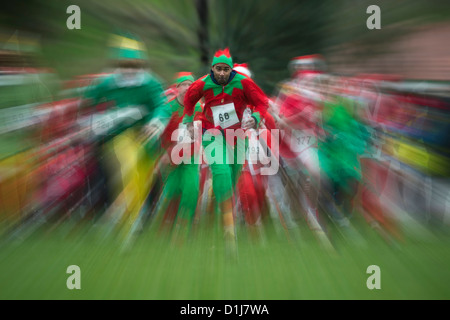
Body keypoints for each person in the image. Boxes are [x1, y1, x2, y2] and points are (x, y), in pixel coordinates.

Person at [182, 48, 277, 255]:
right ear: (212, 68)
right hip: (211, 133)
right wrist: (189, 121)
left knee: (231, 180)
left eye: (226, 69)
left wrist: (257, 118)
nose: (223, 73)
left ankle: (221, 207)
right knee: (221, 171)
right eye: (219, 69)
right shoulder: (202, 83)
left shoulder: (243, 83)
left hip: (238, 136)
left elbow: (262, 102)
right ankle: (229, 231)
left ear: (231, 68)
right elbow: (188, 100)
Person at [81, 33, 171, 241]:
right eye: (125, 64)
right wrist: (93, 121)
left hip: (146, 137)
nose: (129, 70)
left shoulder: (150, 82)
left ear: (141, 64)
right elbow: (89, 101)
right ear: (118, 64)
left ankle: (134, 214)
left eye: (134, 65)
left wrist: (154, 123)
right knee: (127, 167)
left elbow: (161, 106)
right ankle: (122, 215)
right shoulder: (108, 83)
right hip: (119, 135)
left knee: (142, 176)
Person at [156, 72, 203, 243]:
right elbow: (160, 132)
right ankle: (165, 225)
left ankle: (184, 228)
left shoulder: (198, 107)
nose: (188, 87)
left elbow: (193, 133)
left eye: (191, 84)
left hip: (189, 155)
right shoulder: (168, 107)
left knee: (191, 189)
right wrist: (164, 154)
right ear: (177, 88)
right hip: (170, 157)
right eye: (184, 84)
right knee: (172, 191)